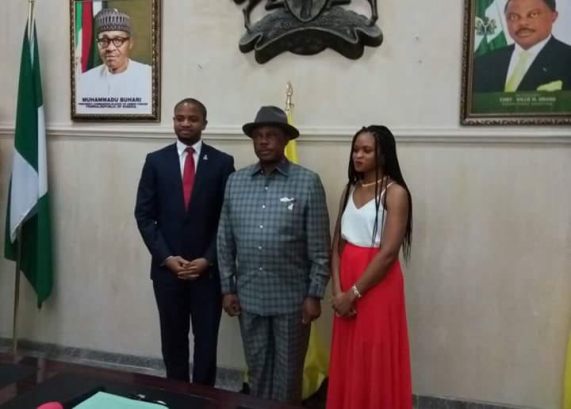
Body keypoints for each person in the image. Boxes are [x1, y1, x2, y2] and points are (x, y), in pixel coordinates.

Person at [217, 106, 330, 403]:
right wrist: (227, 288)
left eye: (271, 135)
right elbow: (224, 240)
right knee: (257, 372)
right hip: (249, 297)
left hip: (292, 300)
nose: (263, 141)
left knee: (288, 375)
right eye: (258, 136)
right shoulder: (236, 182)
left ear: (285, 140)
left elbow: (320, 247)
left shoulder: (307, 182)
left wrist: (314, 294)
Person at [134, 98, 234, 385]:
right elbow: (144, 215)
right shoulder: (156, 161)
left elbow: (227, 219)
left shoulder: (222, 163)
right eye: (180, 118)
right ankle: (176, 396)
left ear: (204, 123)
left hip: (207, 274)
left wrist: (208, 259)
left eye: (192, 118)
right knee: (173, 342)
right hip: (168, 272)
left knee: (206, 344)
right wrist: (166, 258)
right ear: (174, 121)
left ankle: (203, 398)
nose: (186, 123)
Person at [326, 125, 413, 409]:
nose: (358, 155)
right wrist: (338, 292)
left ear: (383, 154)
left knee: (374, 352)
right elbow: (337, 245)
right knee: (349, 354)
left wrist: (353, 293)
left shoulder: (395, 193)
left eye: (366, 150)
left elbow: (388, 253)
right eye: (355, 150)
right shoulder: (349, 190)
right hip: (346, 282)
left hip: (376, 283)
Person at [473, 0, 571, 93]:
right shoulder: (483, 63)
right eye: (513, 17)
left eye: (533, 14)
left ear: (553, 16)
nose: (522, 23)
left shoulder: (567, 59)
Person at [77, 8, 152, 114]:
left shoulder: (149, 77)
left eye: (118, 40)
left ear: (130, 43)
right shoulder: (85, 81)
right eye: (104, 40)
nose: (110, 48)